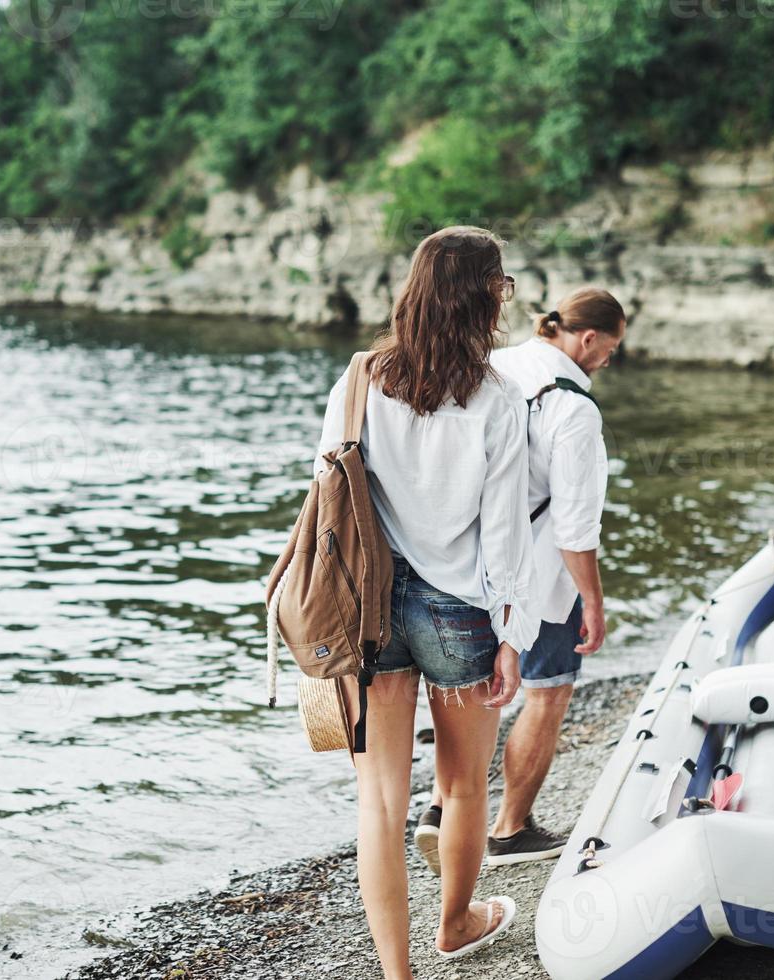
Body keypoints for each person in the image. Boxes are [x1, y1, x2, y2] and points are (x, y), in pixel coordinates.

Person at [316, 226, 540, 978]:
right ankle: (456, 924)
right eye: (501, 285)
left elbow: (330, 500)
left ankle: (396, 973)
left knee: (378, 801)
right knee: (462, 782)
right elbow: (505, 536)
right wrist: (514, 634)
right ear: (485, 296)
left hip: (370, 608)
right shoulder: (497, 398)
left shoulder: (358, 378)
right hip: (458, 609)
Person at [415, 287, 625, 872]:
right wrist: (592, 599)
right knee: (546, 692)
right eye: (611, 348)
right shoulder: (574, 409)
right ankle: (510, 830)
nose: (610, 360)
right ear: (588, 339)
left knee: (474, 692)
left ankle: (439, 807)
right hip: (535, 578)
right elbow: (576, 527)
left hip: (463, 565)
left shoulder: (498, 365)